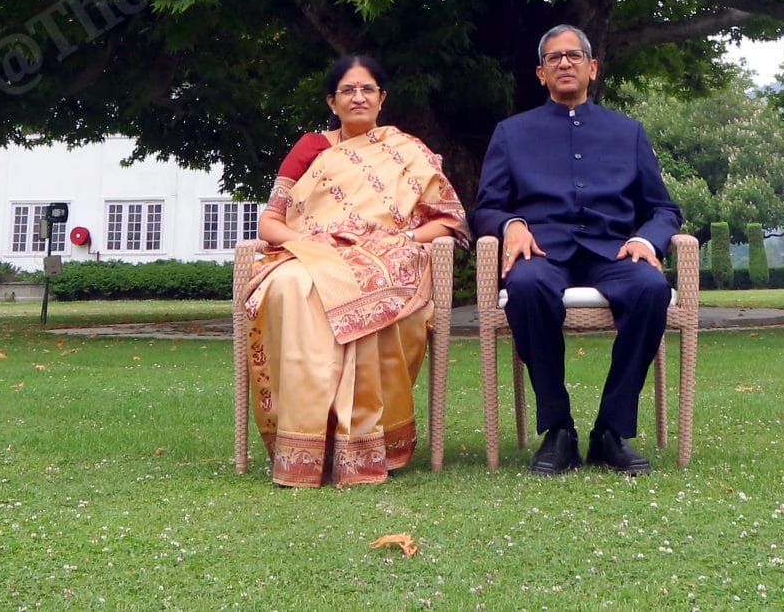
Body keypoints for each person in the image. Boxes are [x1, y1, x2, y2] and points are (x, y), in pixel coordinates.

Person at [246, 54, 466, 487]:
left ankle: (361, 443)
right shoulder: (311, 148)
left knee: (364, 292)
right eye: (348, 90)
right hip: (312, 253)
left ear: (382, 99)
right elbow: (270, 222)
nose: (358, 97)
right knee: (292, 286)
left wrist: (401, 241)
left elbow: (447, 219)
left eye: (367, 89)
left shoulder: (408, 152)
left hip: (390, 256)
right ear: (332, 101)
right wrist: (313, 246)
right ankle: (306, 444)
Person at [474, 24, 682, 477]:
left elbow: (664, 208)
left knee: (651, 288)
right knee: (525, 286)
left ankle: (611, 430)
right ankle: (559, 430)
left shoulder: (627, 132)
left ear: (592, 68)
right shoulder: (512, 133)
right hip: (543, 253)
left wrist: (646, 239)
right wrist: (511, 225)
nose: (564, 63)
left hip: (613, 251)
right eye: (554, 58)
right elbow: (486, 207)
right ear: (540, 73)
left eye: (574, 56)